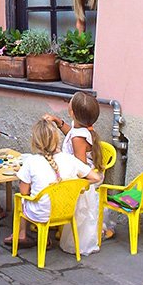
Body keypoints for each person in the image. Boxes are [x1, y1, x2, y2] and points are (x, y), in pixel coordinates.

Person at [3, 118, 102, 247]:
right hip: (66, 211)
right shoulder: (70, 159)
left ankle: (21, 234)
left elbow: (24, 192)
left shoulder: (31, 162)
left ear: (35, 141)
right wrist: (78, 185)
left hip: (40, 213)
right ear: (57, 140)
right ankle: (46, 237)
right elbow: (96, 177)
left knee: (20, 199)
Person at [43, 91, 109, 255]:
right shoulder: (80, 128)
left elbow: (81, 166)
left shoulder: (78, 138)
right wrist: (59, 123)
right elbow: (70, 132)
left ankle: (48, 218)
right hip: (84, 172)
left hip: (82, 178)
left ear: (72, 112)